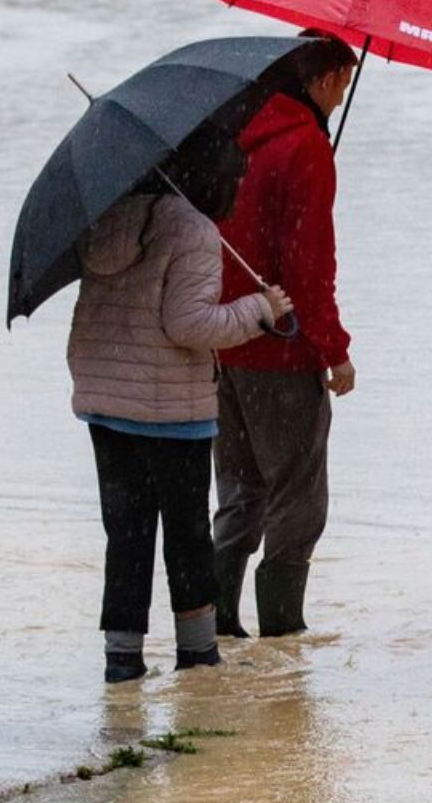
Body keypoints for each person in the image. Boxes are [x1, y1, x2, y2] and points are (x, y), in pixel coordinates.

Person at [68, 127, 293, 683]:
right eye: (235, 178)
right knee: (188, 532)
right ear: (211, 178)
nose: (240, 188)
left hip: (107, 406)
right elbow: (189, 325)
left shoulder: (108, 217)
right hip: (171, 412)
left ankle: (122, 660)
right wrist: (259, 309)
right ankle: (196, 658)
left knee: (126, 533)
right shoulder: (194, 230)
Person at [212, 32, 359, 638]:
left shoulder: (235, 134)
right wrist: (335, 350)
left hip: (224, 344)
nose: (343, 97)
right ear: (322, 81)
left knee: (241, 490)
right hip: (283, 352)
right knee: (298, 498)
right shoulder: (304, 150)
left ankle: (214, 624)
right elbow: (307, 266)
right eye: (343, 85)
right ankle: (282, 632)